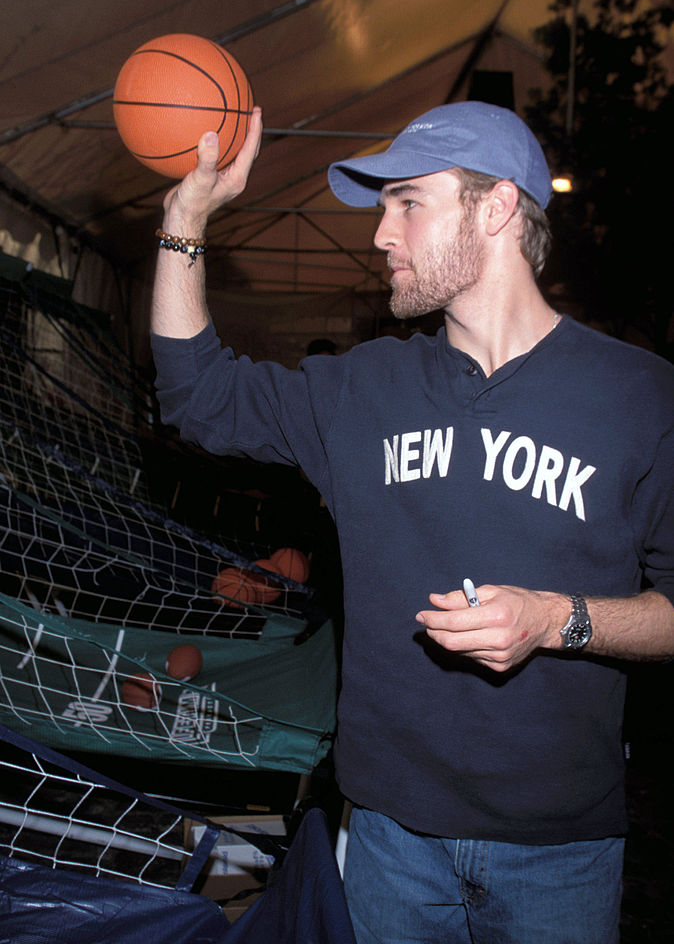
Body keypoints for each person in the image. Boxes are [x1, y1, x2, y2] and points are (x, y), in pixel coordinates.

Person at [150, 101, 674, 944]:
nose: (380, 234)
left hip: (560, 850)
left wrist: (557, 619)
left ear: (496, 207)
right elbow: (196, 395)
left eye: (408, 203)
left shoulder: (640, 396)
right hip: (388, 836)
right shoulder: (364, 388)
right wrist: (184, 221)